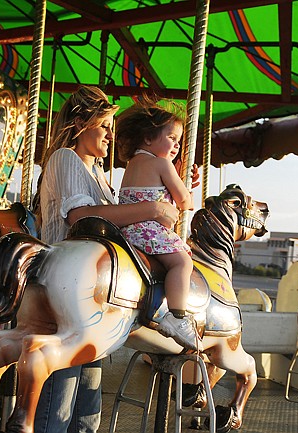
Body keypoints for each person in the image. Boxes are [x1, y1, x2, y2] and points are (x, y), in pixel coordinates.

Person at [33, 85, 199, 433]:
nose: (111, 134)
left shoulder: (98, 174)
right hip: (62, 287)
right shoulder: (66, 158)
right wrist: (153, 207)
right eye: (104, 125)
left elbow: (126, 218)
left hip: (92, 296)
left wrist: (173, 177)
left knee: (88, 407)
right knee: (62, 397)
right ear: (81, 123)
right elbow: (80, 217)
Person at [115, 99, 200, 352]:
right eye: (172, 138)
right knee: (182, 261)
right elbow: (185, 201)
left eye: (179, 140)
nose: (177, 145)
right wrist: (185, 188)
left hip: (128, 231)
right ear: (149, 139)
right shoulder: (162, 164)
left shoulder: (132, 163)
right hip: (148, 229)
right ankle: (176, 316)